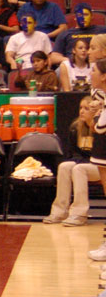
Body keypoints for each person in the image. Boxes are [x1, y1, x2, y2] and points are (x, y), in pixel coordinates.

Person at [44, 92, 101, 226]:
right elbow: (73, 154)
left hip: (100, 167)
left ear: (95, 112)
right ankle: (60, 211)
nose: (82, 111)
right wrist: (77, 161)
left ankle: (79, 214)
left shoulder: (101, 128)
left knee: (78, 169)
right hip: (84, 164)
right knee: (64, 166)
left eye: (86, 108)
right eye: (80, 108)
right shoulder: (75, 128)